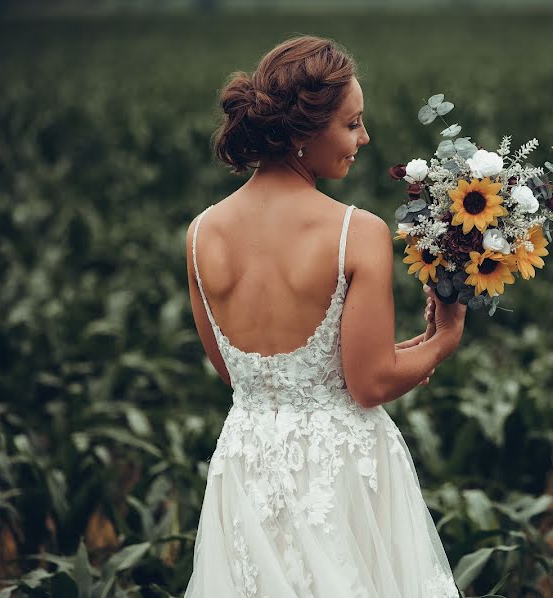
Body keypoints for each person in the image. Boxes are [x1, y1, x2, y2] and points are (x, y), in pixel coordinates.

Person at [183, 34, 467, 597]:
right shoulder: (354, 233)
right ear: (302, 133)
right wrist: (444, 339)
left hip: (246, 465)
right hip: (340, 478)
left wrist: (407, 346)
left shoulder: (201, 234)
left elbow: (248, 374)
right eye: (352, 124)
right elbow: (368, 384)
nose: (365, 138)